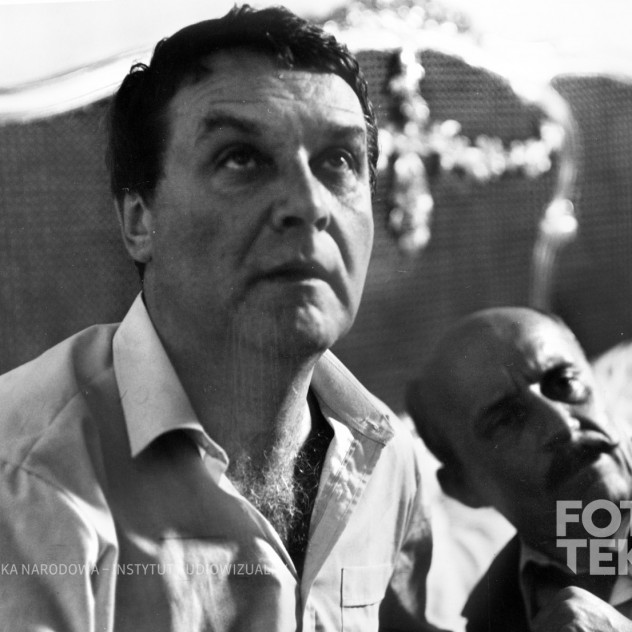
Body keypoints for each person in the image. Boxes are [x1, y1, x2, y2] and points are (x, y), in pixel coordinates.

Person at [0, 6, 436, 631]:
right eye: (241, 159)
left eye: (339, 161)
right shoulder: (27, 482)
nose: (309, 204)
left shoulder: (387, 460)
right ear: (139, 220)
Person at [406, 307, 632, 632]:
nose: (561, 425)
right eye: (508, 419)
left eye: (565, 382)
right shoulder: (491, 620)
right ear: (464, 488)